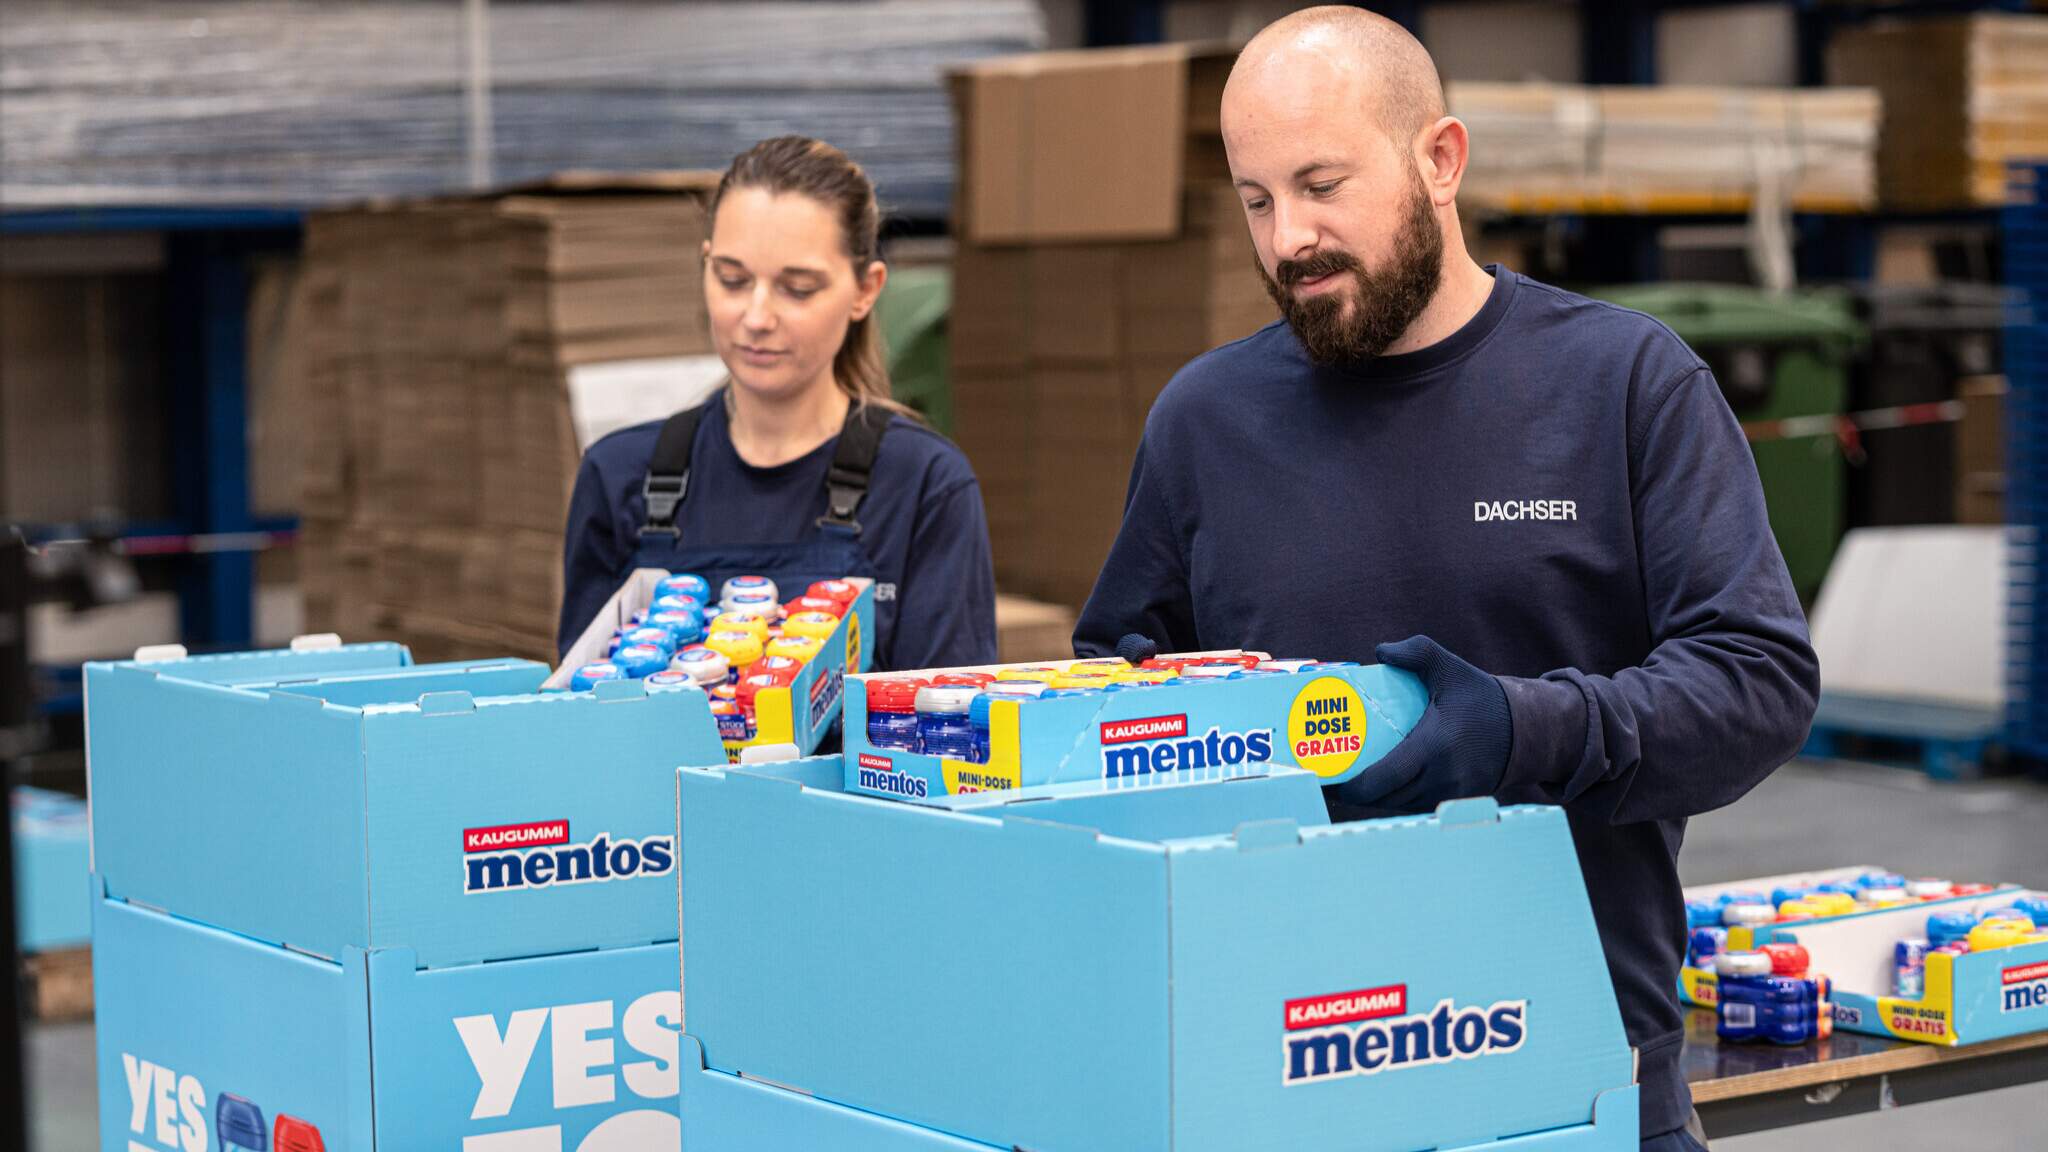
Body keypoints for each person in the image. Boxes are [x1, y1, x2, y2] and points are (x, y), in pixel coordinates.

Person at [1072, 10, 1817, 1150]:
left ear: (1439, 160)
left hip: (1569, 1066)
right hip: (1273, 1063)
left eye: (1322, 184)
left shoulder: (1621, 385)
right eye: (1256, 199)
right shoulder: (1203, 423)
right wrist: (1150, 728)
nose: (1289, 241)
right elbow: (1111, 689)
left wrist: (1522, 730)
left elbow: (1755, 683)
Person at [561, 135, 997, 672]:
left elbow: (945, 727)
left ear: (866, 289)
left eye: (798, 287)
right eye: (733, 279)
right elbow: (582, 718)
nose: (758, 316)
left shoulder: (923, 485)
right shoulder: (619, 475)